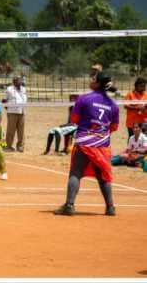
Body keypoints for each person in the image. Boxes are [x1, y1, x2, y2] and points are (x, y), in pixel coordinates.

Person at [54, 72, 119, 216]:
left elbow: (75, 119)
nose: (91, 80)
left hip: (84, 142)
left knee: (76, 173)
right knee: (103, 176)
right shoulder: (113, 105)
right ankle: (110, 207)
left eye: (93, 79)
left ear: (97, 84)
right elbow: (114, 127)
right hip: (102, 145)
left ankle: (69, 206)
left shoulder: (84, 99)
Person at [4, 76, 27, 153]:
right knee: (11, 130)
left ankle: (20, 146)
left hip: (22, 112)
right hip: (12, 112)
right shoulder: (9, 89)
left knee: (21, 130)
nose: (19, 81)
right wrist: (9, 109)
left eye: (20, 80)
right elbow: (5, 101)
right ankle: (8, 146)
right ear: (13, 81)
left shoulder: (23, 89)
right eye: (17, 80)